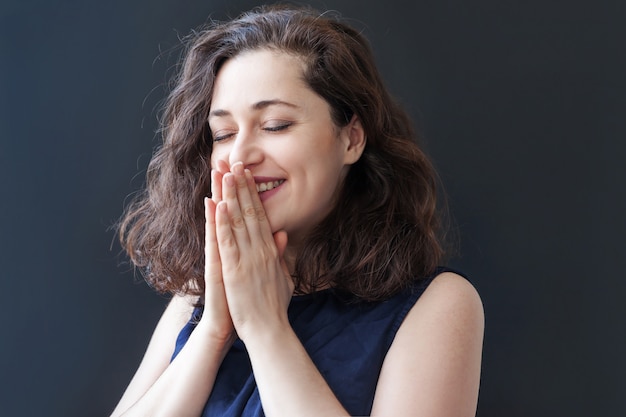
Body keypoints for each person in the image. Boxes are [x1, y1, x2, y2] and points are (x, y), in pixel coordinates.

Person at [111, 4, 484, 416]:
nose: (240, 156)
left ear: (351, 139)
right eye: (223, 133)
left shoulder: (439, 305)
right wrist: (215, 331)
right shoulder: (196, 298)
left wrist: (265, 327)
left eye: (275, 125)